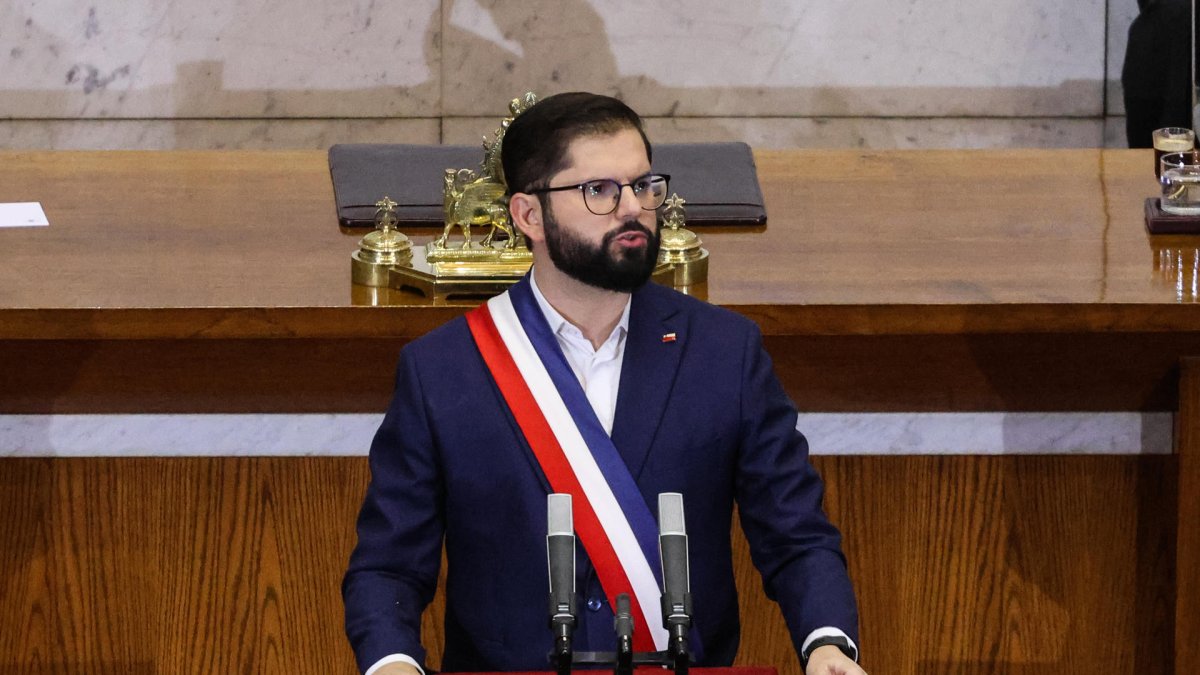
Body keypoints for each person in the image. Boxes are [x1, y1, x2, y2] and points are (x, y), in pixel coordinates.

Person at [343, 92, 863, 675]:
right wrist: (392, 663)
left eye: (644, 185)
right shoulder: (444, 370)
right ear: (528, 216)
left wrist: (827, 643)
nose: (633, 208)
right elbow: (388, 567)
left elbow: (797, 536)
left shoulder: (724, 352)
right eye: (599, 191)